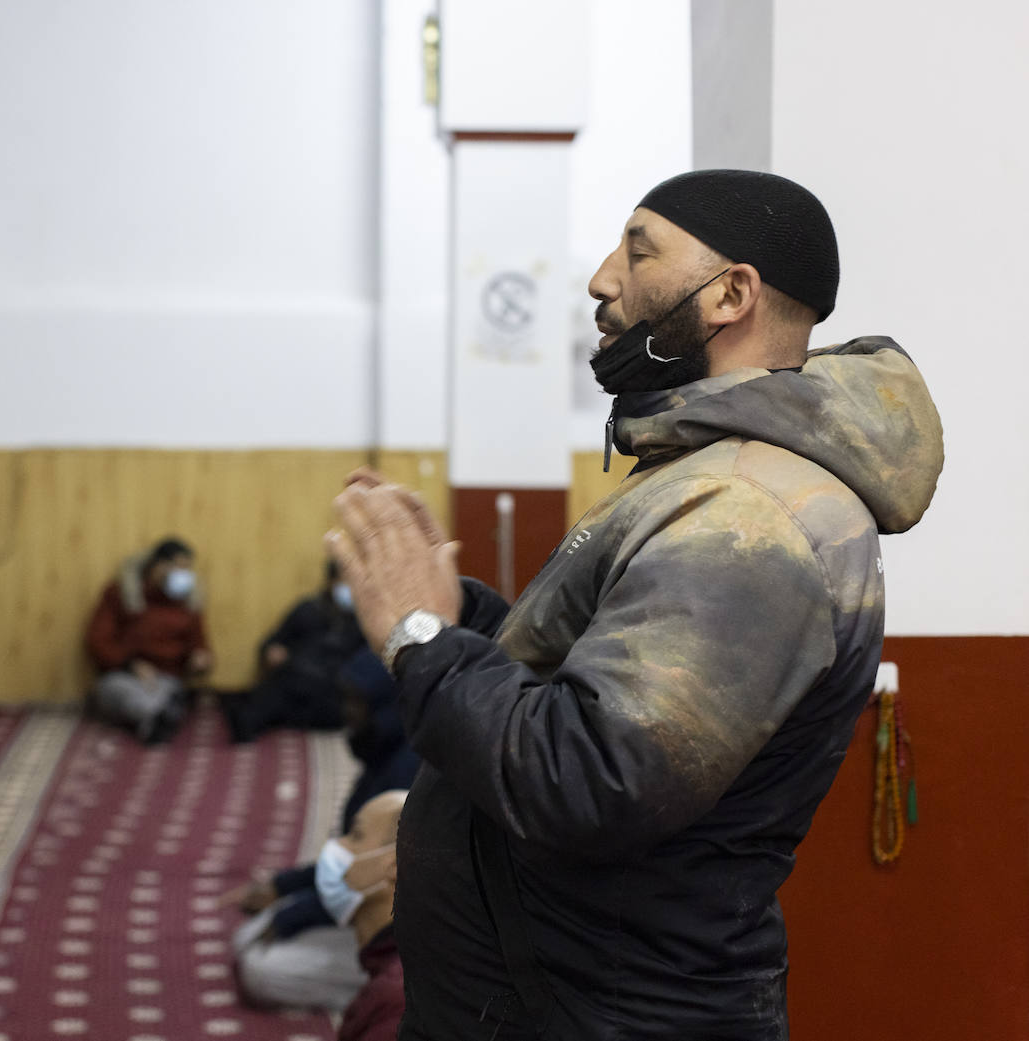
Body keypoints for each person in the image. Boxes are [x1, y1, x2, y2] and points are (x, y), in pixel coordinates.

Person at [328, 170, 944, 1038]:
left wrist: (423, 637)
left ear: (733, 292)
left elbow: (589, 778)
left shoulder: (747, 516)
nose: (601, 278)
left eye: (639, 248)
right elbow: (594, 683)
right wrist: (455, 611)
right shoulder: (705, 470)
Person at [225, 650, 419, 1011]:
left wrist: (293, 916)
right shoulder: (382, 758)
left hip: (403, 933)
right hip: (368, 909)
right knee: (247, 938)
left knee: (261, 968)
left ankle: (387, 998)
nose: (348, 712)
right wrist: (282, 888)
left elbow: (377, 877)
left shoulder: (407, 777)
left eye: (357, 703)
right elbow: (354, 859)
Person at [84, 537, 213, 744]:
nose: (184, 577)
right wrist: (131, 665)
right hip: (124, 675)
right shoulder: (122, 594)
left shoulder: (188, 602)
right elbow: (98, 641)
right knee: (115, 691)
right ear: (159, 566)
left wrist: (201, 659)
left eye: (187, 570)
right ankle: (157, 717)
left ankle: (154, 719)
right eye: (179, 569)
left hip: (166, 679)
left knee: (162, 695)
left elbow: (199, 644)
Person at [221, 560, 366, 742]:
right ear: (331, 582)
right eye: (346, 581)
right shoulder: (308, 609)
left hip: (336, 685)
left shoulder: (364, 618)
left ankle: (252, 714)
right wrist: (272, 650)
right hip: (297, 673)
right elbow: (274, 641)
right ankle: (246, 720)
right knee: (284, 688)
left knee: (328, 714)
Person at [327, 790, 407, 1041]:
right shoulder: (392, 968)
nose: (338, 847)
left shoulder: (399, 997)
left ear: (394, 866)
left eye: (356, 836)